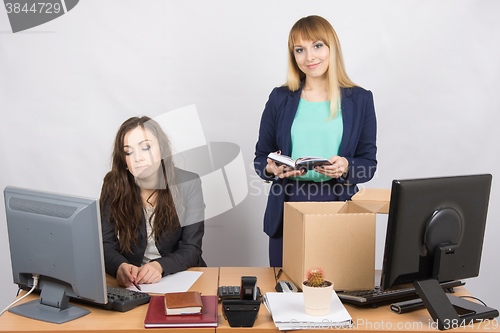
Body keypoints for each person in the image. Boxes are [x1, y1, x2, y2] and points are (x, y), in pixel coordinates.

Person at [254, 15, 377, 267]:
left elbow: (369, 163)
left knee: (336, 292)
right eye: (300, 50)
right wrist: (270, 167)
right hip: (287, 203)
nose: (309, 57)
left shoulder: (361, 99)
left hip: (337, 202)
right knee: (285, 291)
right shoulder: (280, 98)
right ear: (293, 56)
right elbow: (260, 157)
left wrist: (346, 166)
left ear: (332, 48)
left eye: (317, 46)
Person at [100, 116, 206, 288]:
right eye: (128, 151)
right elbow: (105, 243)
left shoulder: (189, 183)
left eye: (146, 147)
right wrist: (119, 266)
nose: (138, 158)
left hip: (180, 277)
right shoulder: (113, 184)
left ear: (161, 150)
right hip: (134, 283)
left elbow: (192, 248)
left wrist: (160, 266)